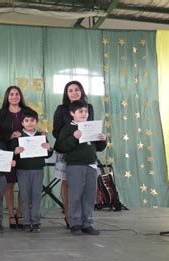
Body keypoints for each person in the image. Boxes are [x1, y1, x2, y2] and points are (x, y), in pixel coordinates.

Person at [55, 100, 106, 235]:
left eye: (86, 111)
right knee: (75, 195)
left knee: (89, 195)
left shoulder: (91, 127)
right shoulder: (68, 128)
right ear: (72, 113)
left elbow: (99, 148)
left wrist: (102, 139)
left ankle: (87, 223)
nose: (84, 114)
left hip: (91, 165)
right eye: (80, 111)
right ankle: (75, 223)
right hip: (75, 166)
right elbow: (61, 147)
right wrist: (74, 137)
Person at [52, 80, 94, 228]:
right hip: (67, 149)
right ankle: (70, 216)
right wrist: (69, 138)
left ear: (81, 91)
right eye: (70, 90)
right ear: (66, 93)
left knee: (85, 185)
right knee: (66, 182)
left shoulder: (88, 107)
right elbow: (55, 130)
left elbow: (91, 127)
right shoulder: (61, 109)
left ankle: (84, 218)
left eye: (77, 89)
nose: (74, 92)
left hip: (84, 150)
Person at [0, 85, 32, 229]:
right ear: (7, 97)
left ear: (20, 96)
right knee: (9, 184)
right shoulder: (1, 113)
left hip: (25, 153)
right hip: (8, 152)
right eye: (11, 94)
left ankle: (21, 214)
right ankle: (11, 215)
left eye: (17, 94)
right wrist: (10, 135)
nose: (14, 96)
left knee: (23, 185)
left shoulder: (29, 112)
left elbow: (33, 128)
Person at [11, 109, 53, 233]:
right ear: (22, 123)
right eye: (26, 121)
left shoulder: (42, 136)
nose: (29, 123)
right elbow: (11, 155)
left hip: (38, 170)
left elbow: (47, 154)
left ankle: (35, 222)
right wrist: (15, 152)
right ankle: (26, 222)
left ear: (37, 122)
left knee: (36, 196)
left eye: (32, 120)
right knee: (24, 196)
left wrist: (48, 148)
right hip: (22, 170)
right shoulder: (18, 137)